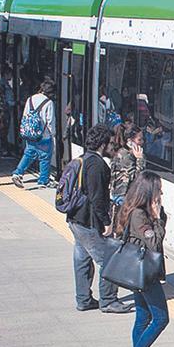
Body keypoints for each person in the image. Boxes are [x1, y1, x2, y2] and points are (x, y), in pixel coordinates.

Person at [68, 124, 132, 314]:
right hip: (89, 222)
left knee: (82, 260)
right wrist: (105, 222)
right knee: (109, 260)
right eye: (111, 143)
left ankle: (83, 299)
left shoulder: (82, 159)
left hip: (75, 219)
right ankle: (108, 300)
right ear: (103, 144)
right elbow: (97, 198)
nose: (113, 146)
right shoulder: (97, 165)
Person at [116, 171, 169, 347]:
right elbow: (154, 243)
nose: (161, 192)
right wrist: (157, 219)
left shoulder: (137, 209)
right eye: (158, 189)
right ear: (148, 191)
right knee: (161, 318)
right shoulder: (140, 215)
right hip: (144, 274)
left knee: (142, 317)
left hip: (139, 273)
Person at [11, 79, 57, 188]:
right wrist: (53, 135)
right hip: (44, 135)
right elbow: (50, 121)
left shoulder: (30, 99)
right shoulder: (49, 102)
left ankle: (17, 173)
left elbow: (25, 115)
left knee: (29, 153)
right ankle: (43, 180)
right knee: (45, 157)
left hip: (30, 132)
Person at [109, 124, 145, 213]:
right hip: (124, 196)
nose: (142, 142)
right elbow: (137, 178)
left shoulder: (123, 152)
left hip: (122, 195)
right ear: (130, 141)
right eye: (139, 140)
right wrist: (140, 159)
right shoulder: (126, 156)